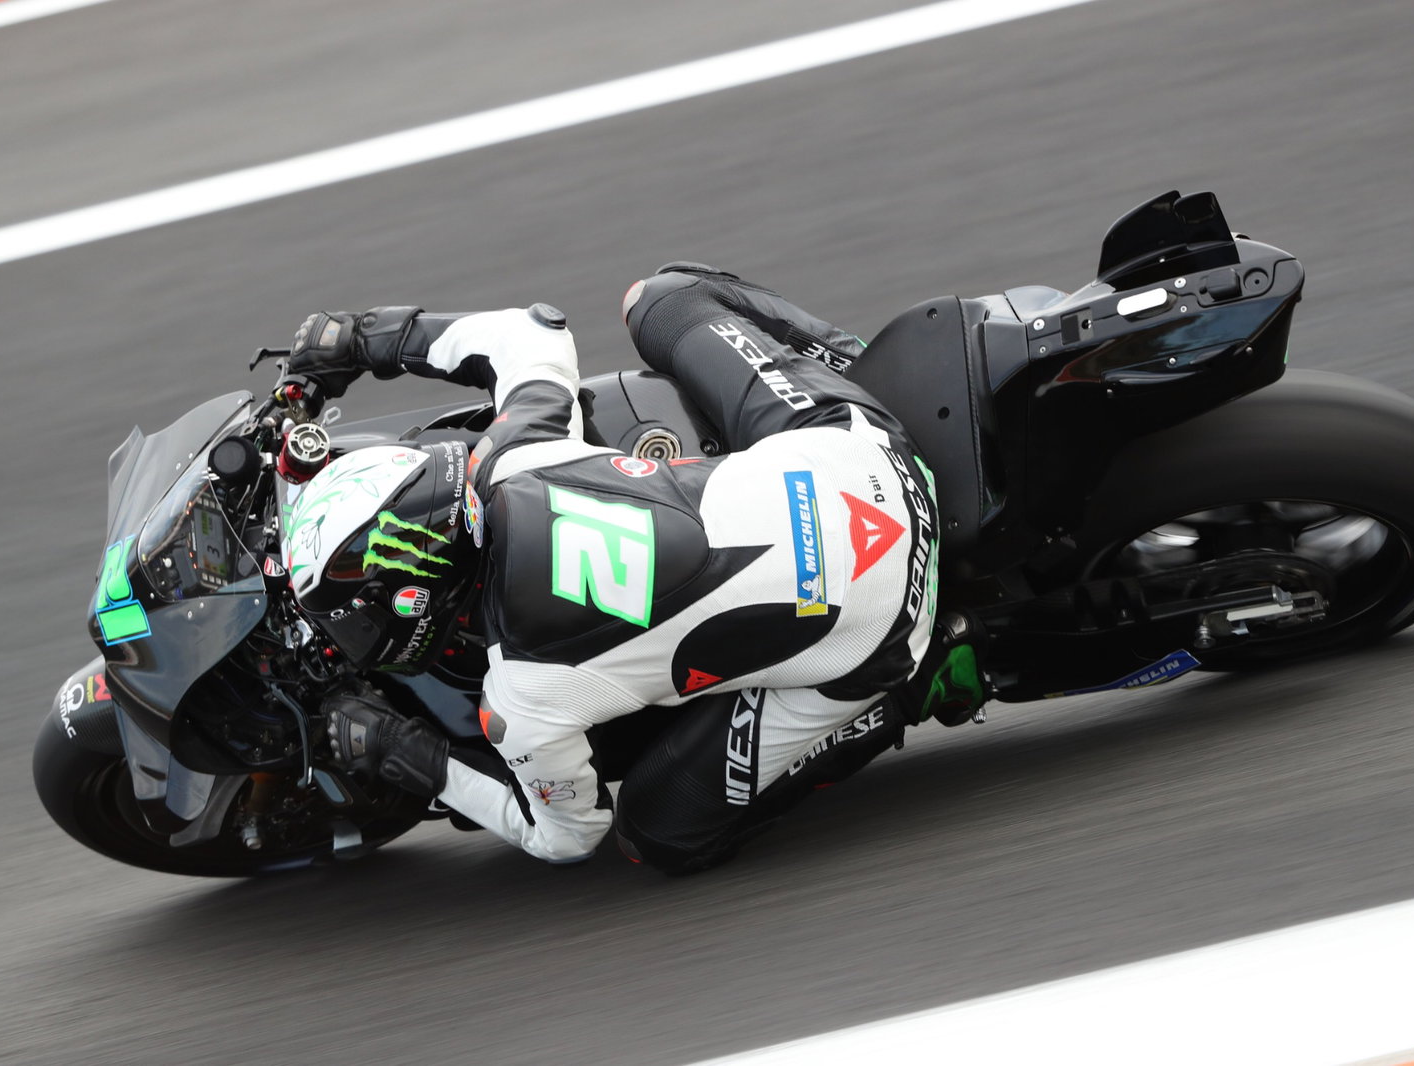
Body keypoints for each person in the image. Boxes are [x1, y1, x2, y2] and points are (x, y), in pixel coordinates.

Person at [286, 263, 939, 873]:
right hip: (869, 454)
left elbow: (568, 835)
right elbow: (530, 329)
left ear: (413, 605)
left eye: (354, 622)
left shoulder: (524, 697)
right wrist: (361, 339)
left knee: (658, 835)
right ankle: (860, 370)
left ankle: (923, 679)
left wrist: (412, 757)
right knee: (663, 297)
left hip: (891, 626)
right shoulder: (519, 454)